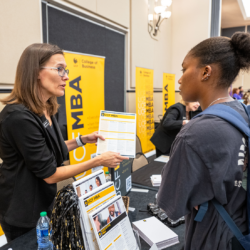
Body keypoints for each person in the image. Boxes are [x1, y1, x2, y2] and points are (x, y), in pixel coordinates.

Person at [0, 43, 128, 242]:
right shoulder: (18, 117)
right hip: (23, 211)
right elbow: (50, 174)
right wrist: (98, 161)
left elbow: (50, 149)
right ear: (35, 72)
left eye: (65, 70)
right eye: (59, 69)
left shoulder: (48, 107)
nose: (66, 76)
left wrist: (82, 140)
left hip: (45, 203)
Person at [157, 32, 248, 250]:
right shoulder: (242, 111)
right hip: (241, 228)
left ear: (206, 72)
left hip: (213, 238)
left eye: (184, 69)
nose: (179, 79)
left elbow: (171, 202)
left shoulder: (196, 132)